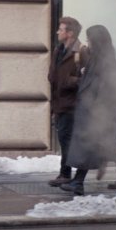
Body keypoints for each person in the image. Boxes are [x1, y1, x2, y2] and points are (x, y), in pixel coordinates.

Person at [60, 25, 116, 195]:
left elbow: (102, 89)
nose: (87, 42)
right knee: (109, 144)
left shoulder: (104, 63)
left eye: (89, 39)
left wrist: (96, 112)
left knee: (87, 144)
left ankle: (78, 182)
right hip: (96, 111)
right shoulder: (99, 59)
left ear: (96, 41)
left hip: (97, 112)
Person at [47, 16, 88, 187]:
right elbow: (54, 75)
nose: (58, 32)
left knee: (67, 139)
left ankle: (67, 174)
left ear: (70, 33)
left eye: (61, 29)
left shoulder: (81, 51)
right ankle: (66, 173)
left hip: (72, 104)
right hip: (59, 102)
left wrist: (69, 81)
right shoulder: (59, 50)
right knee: (65, 139)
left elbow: (87, 78)